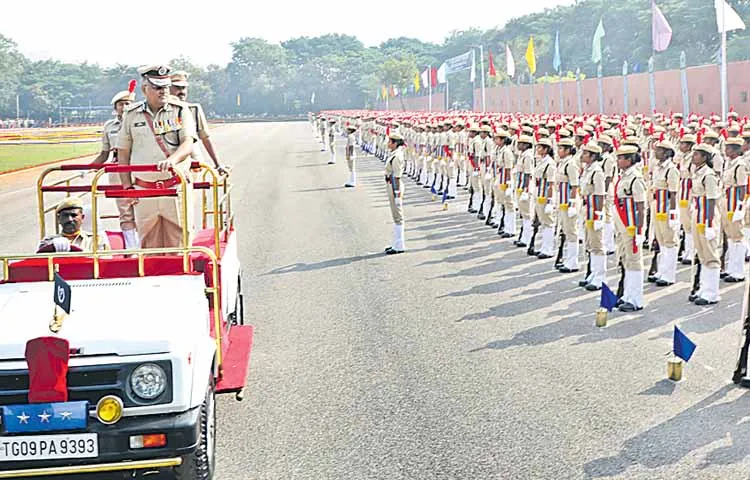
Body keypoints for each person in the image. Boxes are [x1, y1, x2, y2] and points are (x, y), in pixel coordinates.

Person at [116, 64, 198, 249]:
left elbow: (187, 142)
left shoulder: (179, 110)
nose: (164, 91)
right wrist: (128, 187)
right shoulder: (131, 114)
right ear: (145, 89)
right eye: (158, 87)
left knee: (181, 242)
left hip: (175, 187)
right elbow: (123, 152)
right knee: (148, 243)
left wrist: (172, 160)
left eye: (166, 87)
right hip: (144, 190)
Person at [90, 86, 139, 249]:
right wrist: (90, 167)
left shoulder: (140, 122)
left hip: (139, 167)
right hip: (118, 170)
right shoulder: (109, 126)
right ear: (115, 107)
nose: (124, 108)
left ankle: (146, 247)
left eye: (128, 103)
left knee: (142, 209)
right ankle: (132, 248)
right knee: (125, 212)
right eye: (121, 104)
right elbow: (104, 153)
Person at [169, 71, 229, 176]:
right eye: (177, 88)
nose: (181, 91)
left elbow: (205, 138)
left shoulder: (193, 109)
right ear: (168, 88)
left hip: (192, 162)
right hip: (170, 162)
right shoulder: (161, 111)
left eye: (184, 88)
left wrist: (218, 164)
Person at [613, 144, 647, 312]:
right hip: (623, 224)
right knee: (626, 259)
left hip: (631, 224)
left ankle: (635, 299)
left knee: (634, 260)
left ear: (629, 160)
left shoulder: (635, 178)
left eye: (621, 158)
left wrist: (640, 230)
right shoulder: (624, 176)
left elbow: (641, 207)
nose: (618, 160)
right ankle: (627, 295)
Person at [690, 144, 722, 305]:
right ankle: (704, 288)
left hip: (707, 215)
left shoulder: (708, 175)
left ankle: (712, 293)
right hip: (699, 213)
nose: (693, 157)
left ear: (705, 157)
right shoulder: (698, 173)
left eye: (696, 155)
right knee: (702, 253)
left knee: (710, 254)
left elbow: (711, 199)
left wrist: (710, 224)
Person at [649, 140, 681, 287]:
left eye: (660, 150)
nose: (656, 152)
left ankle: (669, 274)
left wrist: (674, 214)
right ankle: (662, 270)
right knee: (661, 240)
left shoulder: (671, 169)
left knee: (669, 241)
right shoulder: (658, 167)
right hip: (658, 206)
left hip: (667, 207)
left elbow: (673, 193)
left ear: (667, 153)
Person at [578, 142, 607, 290]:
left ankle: (599, 277)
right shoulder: (587, 170)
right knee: (589, 243)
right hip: (587, 209)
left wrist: (599, 215)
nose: (582, 156)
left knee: (597, 245)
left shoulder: (597, 172)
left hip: (594, 210)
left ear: (593, 156)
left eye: (585, 153)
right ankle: (593, 274)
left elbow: (600, 195)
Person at [37, 197, 111, 253]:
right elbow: (38, 267)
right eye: (65, 216)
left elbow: (103, 266)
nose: (69, 219)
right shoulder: (48, 242)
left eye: (73, 215)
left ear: (82, 218)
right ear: (59, 219)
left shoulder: (96, 240)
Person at [721, 137, 747, 283]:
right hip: (727, 200)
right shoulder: (729, 164)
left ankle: (738, 271)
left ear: (736, 150)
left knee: (737, 236)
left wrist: (740, 207)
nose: (726, 150)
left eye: (729, 148)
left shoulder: (739, 165)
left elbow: (742, 187)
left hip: (734, 201)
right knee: (730, 235)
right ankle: (731, 268)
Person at [384, 132, 406, 254]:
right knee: (395, 216)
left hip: (394, 185)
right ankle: (396, 243)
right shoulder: (394, 154)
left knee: (398, 217)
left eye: (390, 142)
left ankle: (400, 245)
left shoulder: (397, 156)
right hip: (391, 184)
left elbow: (397, 177)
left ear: (395, 143)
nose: (388, 144)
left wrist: (397, 194)